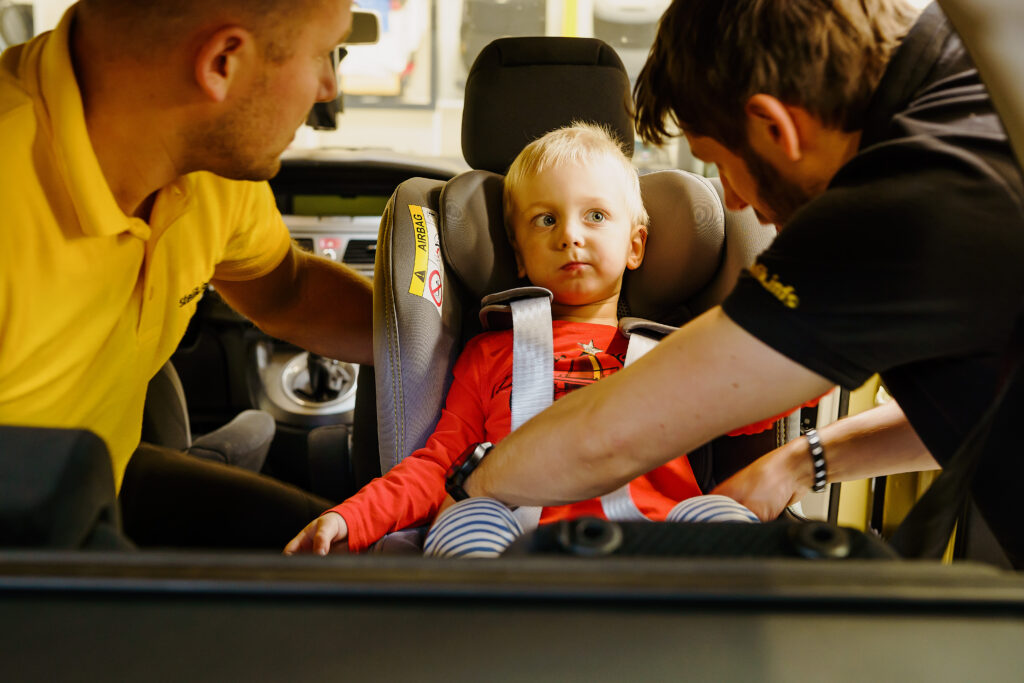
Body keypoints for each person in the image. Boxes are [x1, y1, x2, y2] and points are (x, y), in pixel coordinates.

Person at [448, 0, 1024, 568]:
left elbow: (609, 437)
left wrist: (474, 493)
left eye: (721, 163)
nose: (732, 199)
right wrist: (801, 462)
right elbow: (984, 397)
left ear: (776, 127)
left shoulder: (890, 207)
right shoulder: (979, 96)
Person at [285, 123, 816, 557]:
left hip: (660, 528)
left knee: (725, 515)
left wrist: (810, 353)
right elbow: (437, 465)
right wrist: (348, 517)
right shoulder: (491, 350)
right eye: (546, 220)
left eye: (596, 216)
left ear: (636, 246)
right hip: (514, 530)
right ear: (519, 256)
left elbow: (755, 401)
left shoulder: (676, 353)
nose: (570, 234)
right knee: (465, 514)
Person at [0, 0, 373, 547]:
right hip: (27, 548)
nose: (327, 88)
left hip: (102, 481)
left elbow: (288, 291)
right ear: (222, 62)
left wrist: (472, 347)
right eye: (323, 53)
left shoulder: (208, 162)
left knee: (361, 563)